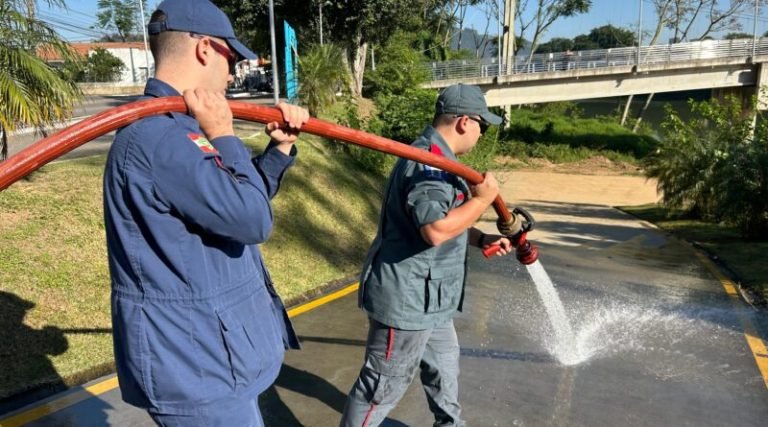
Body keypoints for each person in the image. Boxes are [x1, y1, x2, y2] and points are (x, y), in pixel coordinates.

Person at [102, 0, 308, 425]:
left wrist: (279, 149)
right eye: (231, 59)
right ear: (204, 50)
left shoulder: (180, 126)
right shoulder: (162, 137)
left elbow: (227, 203)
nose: (231, 74)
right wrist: (224, 134)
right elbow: (252, 219)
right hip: (196, 366)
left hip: (211, 359)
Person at [340, 83, 514, 427]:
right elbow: (434, 229)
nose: (482, 133)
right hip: (407, 301)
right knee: (382, 387)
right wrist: (482, 200)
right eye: (482, 125)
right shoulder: (428, 166)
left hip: (432, 300)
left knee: (444, 371)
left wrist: (480, 238)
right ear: (465, 122)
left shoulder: (439, 158)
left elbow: (444, 219)